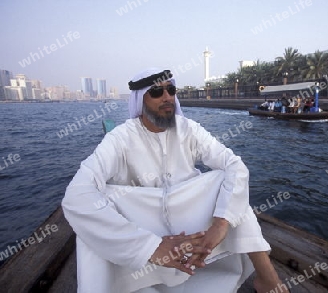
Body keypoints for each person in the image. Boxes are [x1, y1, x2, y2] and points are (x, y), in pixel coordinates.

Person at [62, 68, 288, 293]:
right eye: (157, 92)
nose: (167, 96)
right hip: (143, 222)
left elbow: (235, 166)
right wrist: (150, 247)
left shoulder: (188, 129)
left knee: (227, 180)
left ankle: (267, 279)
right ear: (140, 100)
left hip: (188, 214)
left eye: (170, 90)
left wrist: (221, 223)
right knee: (92, 216)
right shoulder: (120, 138)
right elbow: (76, 195)